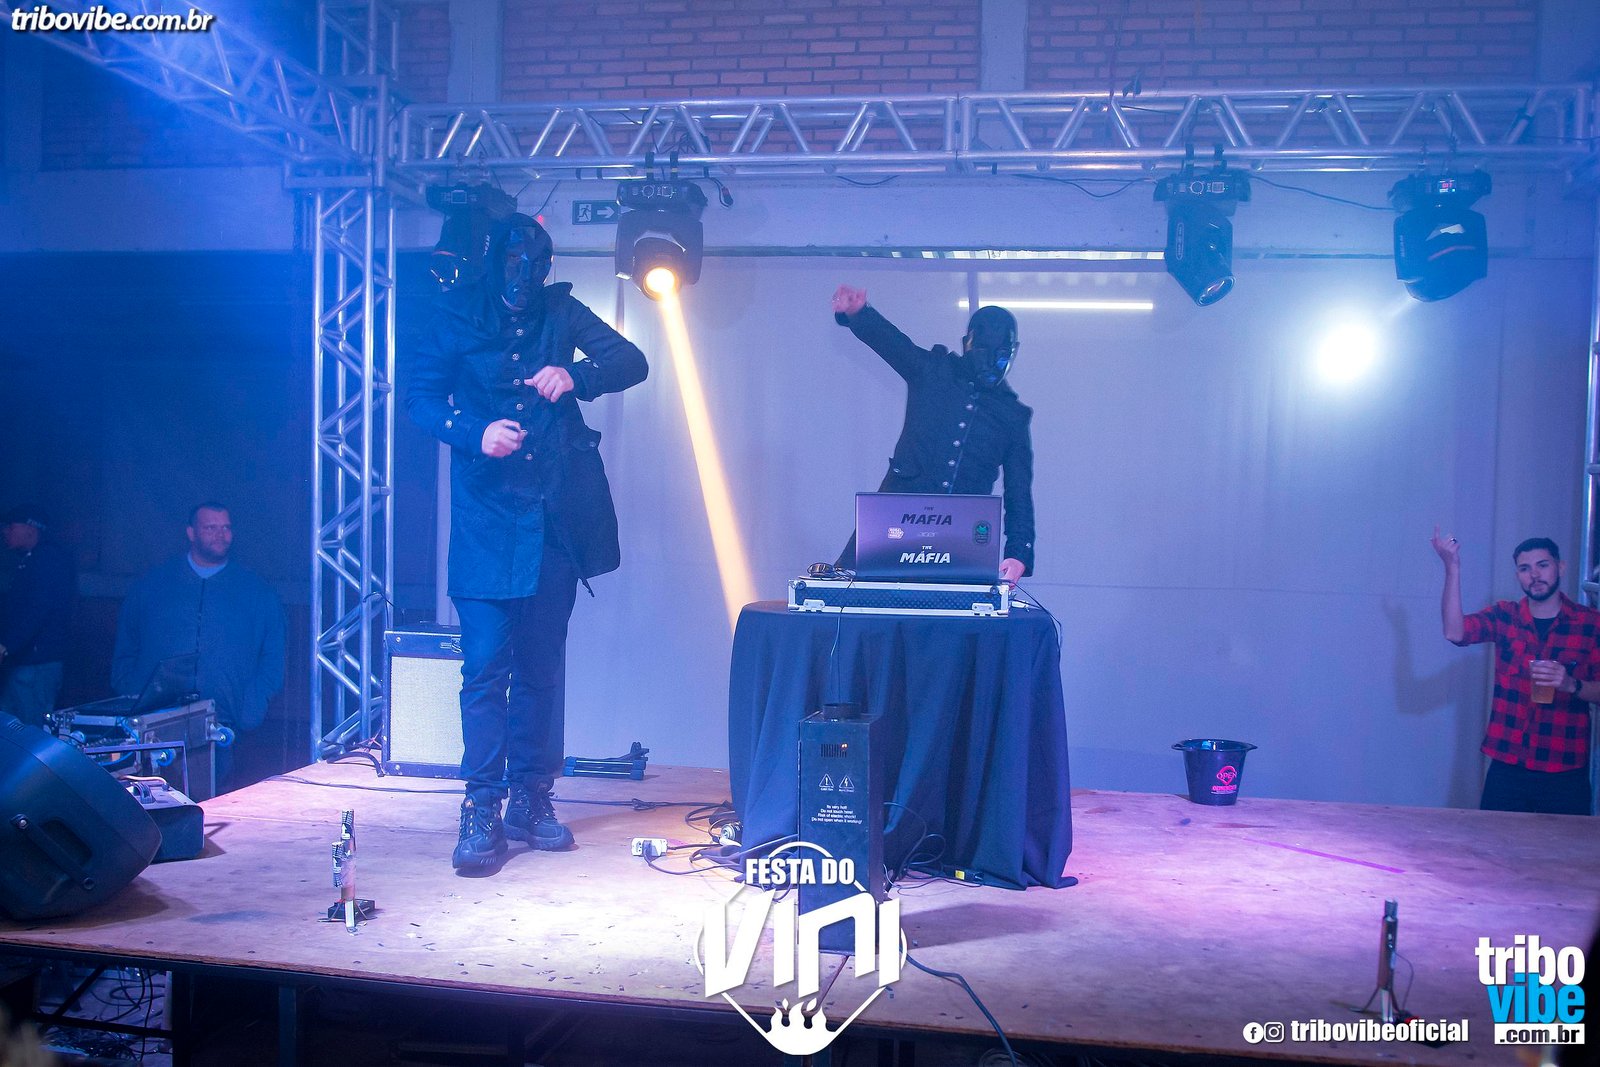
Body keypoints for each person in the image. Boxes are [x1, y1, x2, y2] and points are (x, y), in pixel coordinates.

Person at [407, 211, 648, 873]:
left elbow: (631, 361)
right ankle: (481, 804)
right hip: (486, 519)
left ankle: (531, 795)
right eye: (515, 267)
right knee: (485, 666)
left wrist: (576, 376)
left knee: (541, 667)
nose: (524, 281)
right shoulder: (455, 316)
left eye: (535, 269)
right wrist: (473, 432)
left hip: (550, 520)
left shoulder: (560, 312)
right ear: (494, 264)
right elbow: (419, 399)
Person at [830, 285, 1034, 584]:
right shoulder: (935, 372)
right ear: (967, 345)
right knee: (860, 605)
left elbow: (1019, 492)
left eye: (1001, 354)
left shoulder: (1013, 415)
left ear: (1013, 352)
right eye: (983, 351)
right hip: (894, 522)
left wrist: (1018, 552)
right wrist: (859, 313)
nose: (992, 362)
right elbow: (893, 344)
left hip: (959, 538)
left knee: (947, 611)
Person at [113, 503, 286, 790]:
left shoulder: (255, 590)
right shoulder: (154, 585)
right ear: (191, 533)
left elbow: (273, 654)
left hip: (223, 719)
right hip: (158, 719)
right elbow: (126, 646)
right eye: (210, 527)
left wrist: (252, 704)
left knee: (215, 800)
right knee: (157, 799)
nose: (221, 535)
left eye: (226, 528)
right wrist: (133, 692)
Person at [1434, 529, 1598, 815]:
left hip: (1564, 767)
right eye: (1525, 569)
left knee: (1565, 844)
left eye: (1542, 565)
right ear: (1518, 575)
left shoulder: (1590, 624)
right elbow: (1454, 631)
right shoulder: (1506, 616)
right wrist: (1452, 567)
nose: (1534, 575)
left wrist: (1571, 684)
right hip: (1509, 763)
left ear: (1560, 567)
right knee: (1493, 841)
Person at [0, 506, 76, 727]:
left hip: (37, 665)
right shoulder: (30, 560)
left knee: (31, 729)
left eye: (11, 526)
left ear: (30, 528)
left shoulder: (48, 560)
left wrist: (7, 645)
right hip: (23, 663)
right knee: (11, 729)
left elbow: (37, 609)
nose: (5, 531)